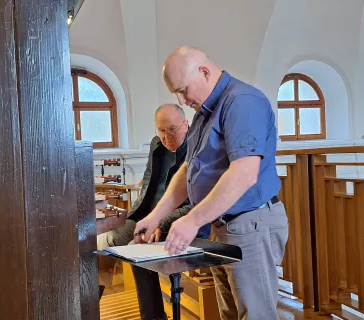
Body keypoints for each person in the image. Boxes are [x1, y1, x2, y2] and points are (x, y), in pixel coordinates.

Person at [134, 46, 289, 320]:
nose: (181, 100)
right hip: (223, 225)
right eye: (176, 94)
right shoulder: (205, 112)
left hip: (250, 223)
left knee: (255, 315)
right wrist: (156, 215)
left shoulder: (242, 102)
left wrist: (192, 221)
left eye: (183, 90)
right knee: (230, 314)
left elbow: (243, 173)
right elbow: (188, 170)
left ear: (204, 72)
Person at [96, 104, 211, 300]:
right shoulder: (156, 144)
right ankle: (89, 310)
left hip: (178, 223)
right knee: (101, 241)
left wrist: (161, 221)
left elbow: (197, 201)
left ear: (186, 125)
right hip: (149, 216)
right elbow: (148, 183)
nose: (167, 137)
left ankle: (153, 315)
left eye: (173, 130)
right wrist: (136, 217)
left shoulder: (198, 147)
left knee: (137, 248)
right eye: (162, 131)